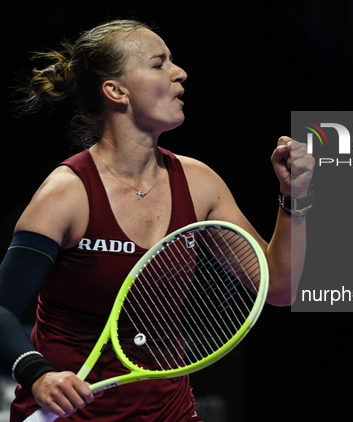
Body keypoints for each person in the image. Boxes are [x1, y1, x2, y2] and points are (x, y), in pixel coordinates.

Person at [0, 19, 314, 421]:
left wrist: (295, 195)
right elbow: (3, 309)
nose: (179, 72)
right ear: (116, 91)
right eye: (158, 63)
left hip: (169, 413)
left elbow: (280, 288)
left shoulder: (199, 183)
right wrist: (38, 375)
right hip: (69, 414)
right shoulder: (67, 193)